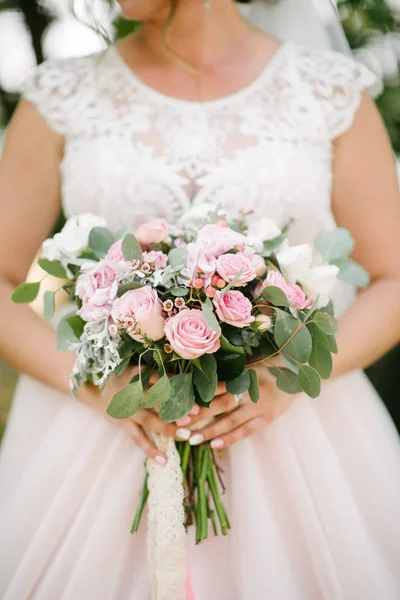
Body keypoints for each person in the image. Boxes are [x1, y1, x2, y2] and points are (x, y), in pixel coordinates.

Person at [1, 0, 400, 598]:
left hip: (296, 435)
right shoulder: (61, 96)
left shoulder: (329, 93)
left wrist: (291, 371)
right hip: (100, 431)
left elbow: (392, 277)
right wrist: (91, 381)